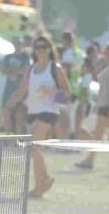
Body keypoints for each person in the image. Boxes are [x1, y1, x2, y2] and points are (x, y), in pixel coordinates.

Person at [4, 35, 70, 197]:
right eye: (38, 47)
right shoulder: (30, 70)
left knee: (34, 145)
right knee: (35, 148)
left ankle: (45, 180)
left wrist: (52, 92)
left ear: (50, 49)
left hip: (49, 112)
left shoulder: (56, 68)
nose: (41, 50)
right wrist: (7, 107)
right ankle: (40, 185)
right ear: (34, 50)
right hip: (33, 112)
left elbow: (67, 95)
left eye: (44, 47)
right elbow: (21, 91)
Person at [75, 42, 109, 170]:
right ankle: (89, 160)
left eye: (107, 51)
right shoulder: (108, 66)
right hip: (104, 103)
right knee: (100, 133)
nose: (104, 53)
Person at [1, 37, 30, 134]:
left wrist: (13, 71)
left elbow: (25, 70)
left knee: (19, 115)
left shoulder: (25, 58)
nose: (18, 47)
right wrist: (15, 71)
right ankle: (7, 136)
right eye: (17, 44)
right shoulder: (8, 57)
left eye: (20, 45)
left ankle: (18, 137)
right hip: (8, 90)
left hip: (20, 90)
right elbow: (3, 70)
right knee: (7, 113)